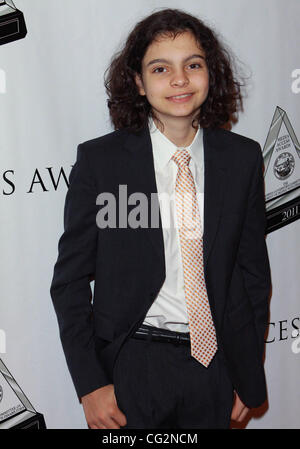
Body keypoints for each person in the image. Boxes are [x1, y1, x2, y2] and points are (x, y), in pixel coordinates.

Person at [50, 8, 271, 429]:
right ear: (138, 81)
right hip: (132, 367)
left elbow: (253, 274)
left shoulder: (242, 158)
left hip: (216, 369)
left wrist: (247, 370)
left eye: (193, 64)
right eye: (160, 68)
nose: (180, 80)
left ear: (211, 72)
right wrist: (90, 384)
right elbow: (71, 282)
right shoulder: (102, 163)